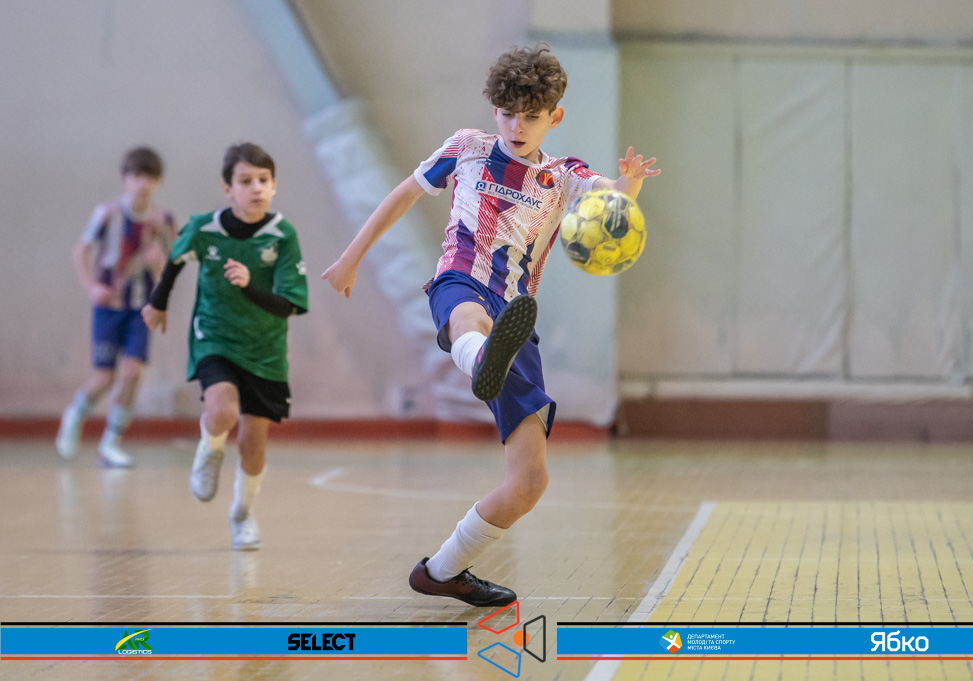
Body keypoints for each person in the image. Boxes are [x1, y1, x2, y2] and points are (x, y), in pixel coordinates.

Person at [322, 44, 659, 606]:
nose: (516, 126)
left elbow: (615, 205)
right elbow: (403, 195)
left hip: (515, 317)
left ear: (555, 117)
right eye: (507, 113)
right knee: (467, 318)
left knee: (530, 482)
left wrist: (631, 185)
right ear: (494, 111)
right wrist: (351, 257)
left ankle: (442, 570)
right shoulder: (468, 148)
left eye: (531, 116)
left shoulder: (564, 176)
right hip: (461, 280)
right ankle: (480, 357)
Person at [141, 143, 309, 550]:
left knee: (253, 444)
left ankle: (242, 514)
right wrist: (158, 303)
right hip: (214, 337)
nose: (256, 188)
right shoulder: (205, 228)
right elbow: (175, 260)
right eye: (246, 181)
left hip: (266, 349)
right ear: (228, 189)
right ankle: (209, 449)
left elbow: (288, 305)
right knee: (222, 410)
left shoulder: (282, 234)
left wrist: (248, 285)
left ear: (274, 186)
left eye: (263, 180)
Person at [56, 146, 176, 468]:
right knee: (104, 378)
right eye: (136, 176)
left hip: (141, 308)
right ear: (125, 178)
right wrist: (91, 287)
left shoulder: (164, 221)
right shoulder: (107, 213)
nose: (142, 184)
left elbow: (173, 265)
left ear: (158, 182)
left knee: (133, 372)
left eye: (149, 177)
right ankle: (75, 413)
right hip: (109, 306)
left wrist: (160, 266)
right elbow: (81, 250)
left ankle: (110, 444)